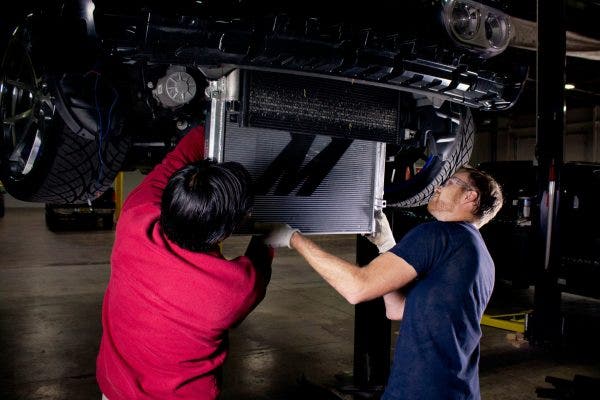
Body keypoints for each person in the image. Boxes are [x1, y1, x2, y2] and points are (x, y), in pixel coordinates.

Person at [265, 166, 503, 400]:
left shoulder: (439, 234)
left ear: (470, 196)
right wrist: (386, 246)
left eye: (450, 182)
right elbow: (397, 310)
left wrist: (293, 238)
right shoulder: (480, 256)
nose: (439, 187)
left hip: (419, 391)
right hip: (456, 390)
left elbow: (357, 288)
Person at [96, 126, 273, 400]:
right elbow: (268, 242)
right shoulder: (235, 289)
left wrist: (213, 121)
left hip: (115, 390)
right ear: (223, 234)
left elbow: (178, 156)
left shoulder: (137, 214)